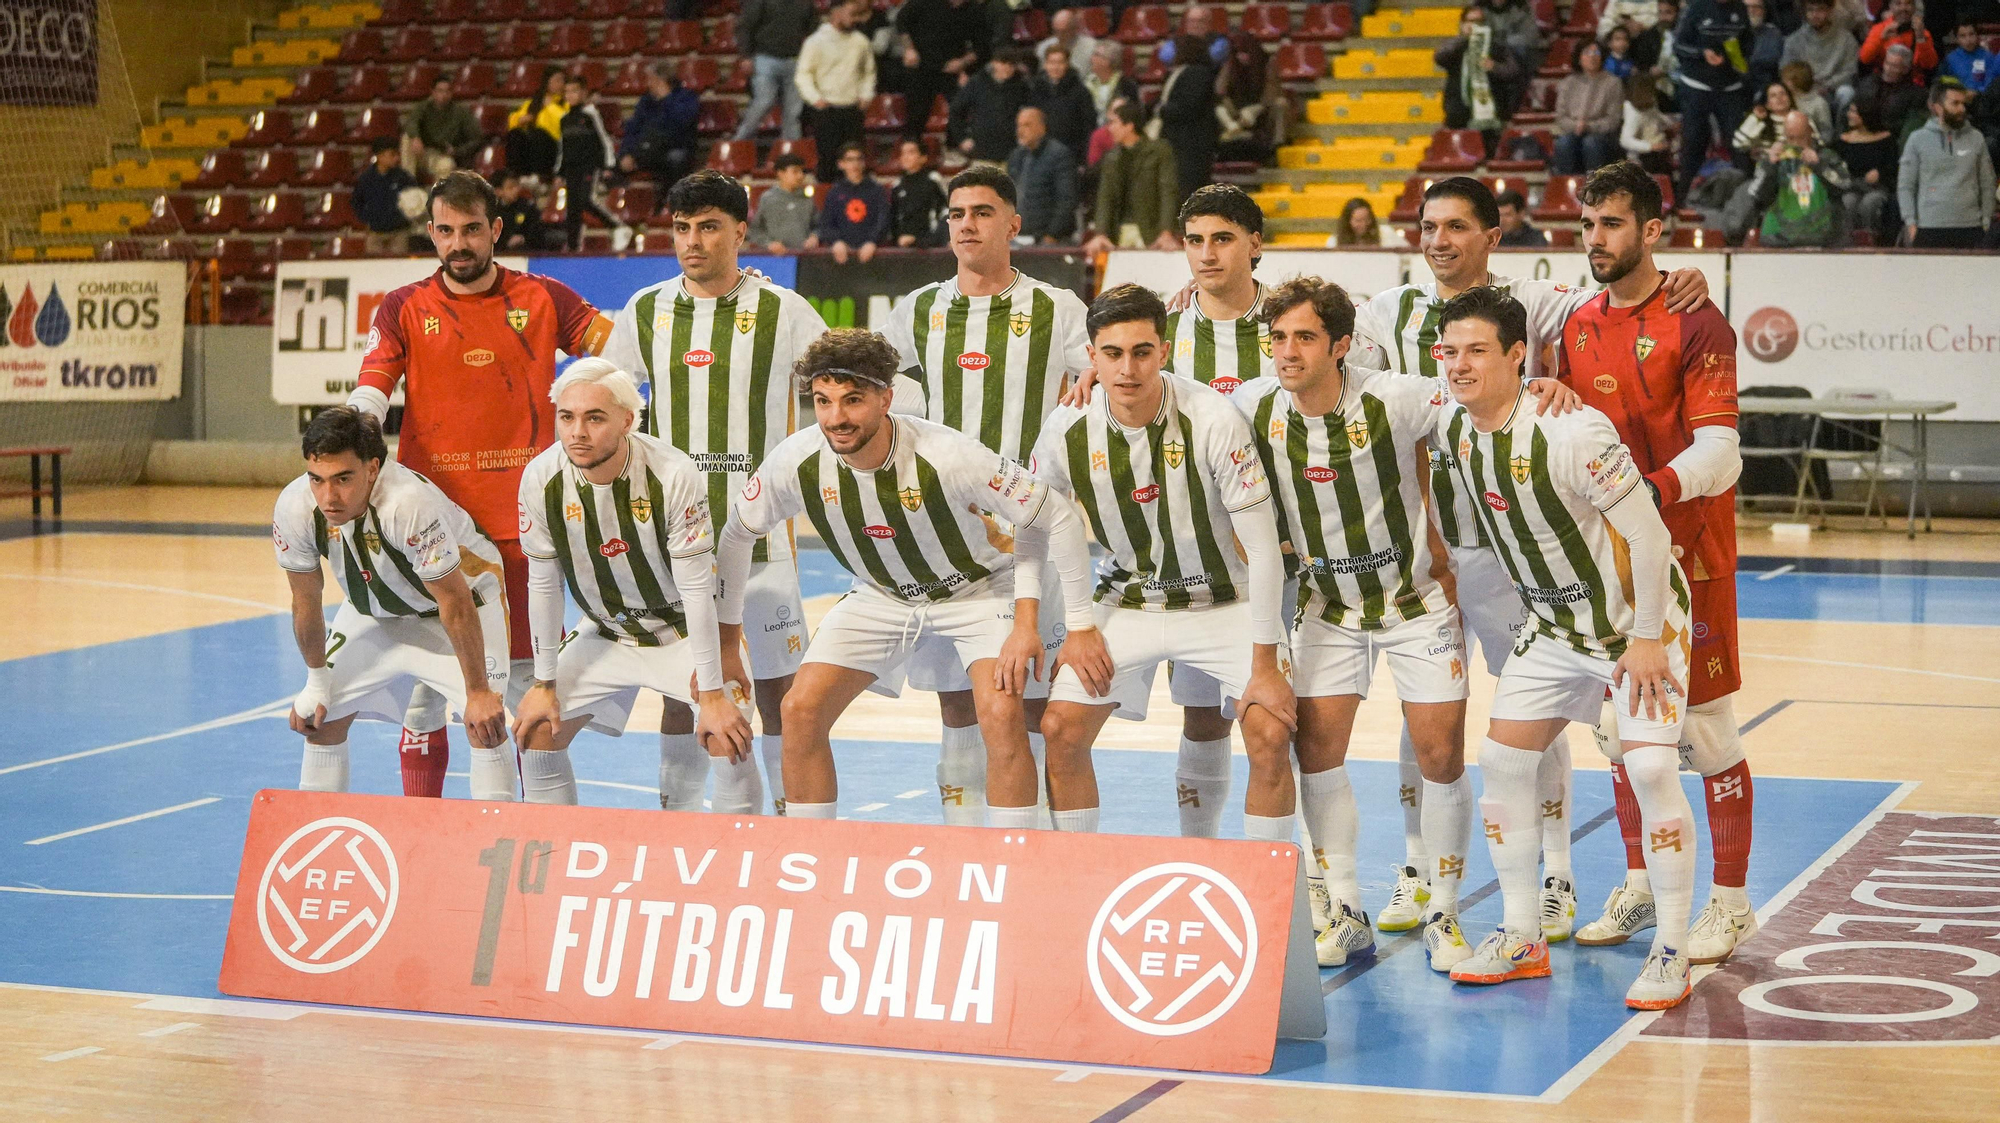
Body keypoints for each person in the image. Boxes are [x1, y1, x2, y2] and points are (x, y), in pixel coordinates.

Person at [1345, 176, 1709, 948]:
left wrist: (1681, 280)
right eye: (1428, 226)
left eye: (1455, 227)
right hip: (1431, 554)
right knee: (1428, 718)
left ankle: (1555, 878)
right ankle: (1418, 866)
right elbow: (1337, 375)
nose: (1439, 240)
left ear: (1493, 235)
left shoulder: (1538, 301)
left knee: (1540, 730)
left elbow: (1624, 294)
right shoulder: (1386, 311)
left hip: (1523, 560)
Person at [1431, 285, 1699, 1011]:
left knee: (1646, 763)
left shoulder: (1575, 431)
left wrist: (1645, 641)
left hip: (1636, 628)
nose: (1458, 365)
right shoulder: (1456, 432)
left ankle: (1672, 946)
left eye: (1476, 351)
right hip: (1552, 629)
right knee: (1503, 759)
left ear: (1519, 355)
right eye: (1448, 351)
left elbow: (1646, 534)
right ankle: (1522, 934)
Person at [716, 329, 1101, 826]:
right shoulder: (795, 460)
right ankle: (808, 855)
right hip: (880, 597)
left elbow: (1056, 517)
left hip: (979, 592)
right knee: (799, 711)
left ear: (886, 398)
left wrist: (1062, 624)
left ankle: (1016, 864)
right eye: (823, 401)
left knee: (1002, 714)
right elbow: (734, 538)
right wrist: (728, 647)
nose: (836, 418)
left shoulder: (951, 455)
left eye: (853, 400)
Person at [346, 171, 613, 800]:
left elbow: (618, 346)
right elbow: (373, 381)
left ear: (495, 229)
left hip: (521, 532)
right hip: (427, 528)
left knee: (519, 688)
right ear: (432, 233)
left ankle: (538, 834)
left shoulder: (546, 297)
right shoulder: (404, 307)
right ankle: (424, 828)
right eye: (445, 231)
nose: (458, 243)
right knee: (425, 694)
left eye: (471, 230)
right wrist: (351, 433)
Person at [1228, 274, 1460, 964]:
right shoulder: (1253, 405)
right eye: (1277, 338)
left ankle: (1445, 915)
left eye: (1304, 337)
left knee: (1441, 755)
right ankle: (1347, 903)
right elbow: (1174, 408)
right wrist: (1092, 374)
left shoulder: (1398, 396)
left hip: (1416, 601)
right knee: (1316, 753)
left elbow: (1487, 397)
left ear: (1342, 347)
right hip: (1329, 607)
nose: (1288, 351)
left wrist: (1547, 390)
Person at [1559, 161, 1756, 969]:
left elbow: (1724, 449)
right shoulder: (1573, 322)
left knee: (1707, 732)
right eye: (1587, 224)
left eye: (1611, 224)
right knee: (1618, 732)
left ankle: (1733, 904)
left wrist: (1648, 490)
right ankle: (1640, 884)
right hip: (1612, 562)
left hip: (1694, 555)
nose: (1595, 239)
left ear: (1651, 230)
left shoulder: (1698, 320)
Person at [600, 170, 831, 815]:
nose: (692, 242)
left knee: (784, 687)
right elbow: (608, 403)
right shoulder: (646, 310)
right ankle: (680, 813)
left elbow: (845, 380)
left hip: (764, 538)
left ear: (739, 231)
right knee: (688, 681)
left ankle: (788, 815)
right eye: (681, 228)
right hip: (679, 537)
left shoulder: (783, 311)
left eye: (707, 227)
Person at [1031, 284, 1295, 842]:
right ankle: (1073, 875)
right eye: (1112, 354)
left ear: (1164, 351)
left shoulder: (1214, 418)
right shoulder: (1064, 428)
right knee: (1060, 728)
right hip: (1129, 601)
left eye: (1142, 352)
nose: (1128, 369)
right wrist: (1076, 626)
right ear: (1092, 357)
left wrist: (1266, 662)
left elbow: (1265, 547)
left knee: (1271, 732)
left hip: (1228, 600)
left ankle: (1254, 888)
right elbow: (1042, 529)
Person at [881, 164, 1094, 825]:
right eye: (956, 214)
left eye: (980, 212)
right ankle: (966, 844)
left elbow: (1103, 372)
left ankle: (1037, 853)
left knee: (1029, 700)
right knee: (956, 699)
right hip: (945, 530)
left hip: (1030, 530)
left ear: (1013, 224)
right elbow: (868, 384)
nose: (966, 224)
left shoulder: (1057, 306)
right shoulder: (918, 308)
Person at [511, 360, 752, 809]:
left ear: (627, 419)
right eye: (567, 417)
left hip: (683, 632)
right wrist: (544, 683)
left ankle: (734, 862)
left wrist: (715, 692)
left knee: (727, 738)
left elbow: (699, 589)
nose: (577, 432)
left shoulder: (673, 473)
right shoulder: (540, 478)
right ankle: (549, 857)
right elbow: (542, 584)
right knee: (538, 731)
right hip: (607, 633)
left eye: (594, 418)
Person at [276, 407, 519, 801]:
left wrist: (477, 693)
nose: (328, 497)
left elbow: (454, 602)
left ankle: (499, 847)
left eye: (343, 479)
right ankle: (316, 835)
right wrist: (316, 682)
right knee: (320, 720)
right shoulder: (294, 506)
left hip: (465, 603)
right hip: (374, 610)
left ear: (373, 469)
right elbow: (305, 601)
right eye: (316, 480)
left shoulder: (408, 504)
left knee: (485, 725)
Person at [1672, 0, 1753, 204]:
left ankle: (1747, 201)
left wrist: (1736, 57)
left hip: (1730, 87)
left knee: (1740, 144)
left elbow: (1749, 44)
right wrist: (1702, 53)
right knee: (1692, 142)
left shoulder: (1740, 9)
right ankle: (1681, 201)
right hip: (1697, 86)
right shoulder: (1697, 8)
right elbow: (1679, 45)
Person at [1898, 79, 1996, 248]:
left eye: (1963, 103)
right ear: (1937, 107)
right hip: (1928, 227)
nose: (1962, 109)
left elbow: (1988, 182)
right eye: (1955, 103)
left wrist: (1986, 220)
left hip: (1970, 226)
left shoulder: (1976, 137)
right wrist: (1911, 224)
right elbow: (1906, 186)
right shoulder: (1917, 139)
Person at [797, 0, 876, 183]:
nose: (854, 18)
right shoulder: (815, 42)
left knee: (854, 161)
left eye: (857, 14)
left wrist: (866, 94)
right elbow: (804, 74)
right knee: (827, 161)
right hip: (826, 110)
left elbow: (868, 72)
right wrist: (814, 98)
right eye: (851, 13)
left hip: (852, 109)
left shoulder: (861, 41)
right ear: (836, 12)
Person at [1087, 100, 1181, 252]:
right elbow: (1105, 197)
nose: (1110, 128)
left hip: (1151, 232)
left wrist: (1166, 231)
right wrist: (1101, 233)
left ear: (1129, 126)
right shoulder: (1111, 158)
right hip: (1118, 232)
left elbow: (1168, 192)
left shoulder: (1159, 151)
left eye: (1113, 123)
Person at [1751, 110, 1852, 244]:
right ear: (1785, 135)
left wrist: (1819, 166)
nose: (1797, 143)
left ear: (1810, 133)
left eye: (1802, 137)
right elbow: (1757, 196)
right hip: (1779, 240)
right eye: (1791, 138)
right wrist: (1771, 166)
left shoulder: (1827, 156)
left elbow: (1844, 184)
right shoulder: (1773, 159)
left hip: (1826, 239)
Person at [896, 0, 986, 141]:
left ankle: (954, 146)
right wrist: (909, 49)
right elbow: (901, 21)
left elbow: (981, 48)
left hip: (951, 69)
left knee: (960, 107)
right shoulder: (923, 3)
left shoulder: (974, 11)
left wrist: (962, 63)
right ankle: (912, 147)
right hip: (921, 67)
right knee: (916, 113)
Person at [557, 76, 626, 252]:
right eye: (567, 92)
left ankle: (617, 226)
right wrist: (559, 171)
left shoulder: (591, 114)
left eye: (574, 91)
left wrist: (608, 165)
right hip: (571, 168)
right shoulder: (564, 119)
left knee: (586, 199)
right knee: (572, 209)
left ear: (583, 93)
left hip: (588, 166)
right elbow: (563, 147)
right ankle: (573, 248)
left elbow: (604, 140)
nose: (570, 95)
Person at [735, 0, 814, 142]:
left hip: (794, 59)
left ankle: (791, 153)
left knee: (793, 112)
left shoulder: (805, 3)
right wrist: (746, 56)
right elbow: (745, 26)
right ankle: (739, 141)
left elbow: (814, 29)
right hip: (765, 57)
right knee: (764, 101)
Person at [1156, 34, 1222, 204]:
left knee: (1189, 190)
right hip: (1177, 142)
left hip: (1191, 144)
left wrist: (1162, 110)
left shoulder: (1198, 73)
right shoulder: (1178, 73)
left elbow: (1189, 106)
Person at [619, 64, 701, 195]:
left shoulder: (686, 97)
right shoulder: (646, 101)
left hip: (675, 147)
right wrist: (627, 153)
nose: (648, 84)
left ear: (661, 80)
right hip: (648, 148)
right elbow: (633, 129)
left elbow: (681, 125)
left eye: (651, 80)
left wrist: (666, 99)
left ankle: (668, 202)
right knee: (615, 165)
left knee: (675, 159)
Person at [810, 143, 892, 263]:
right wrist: (836, 241)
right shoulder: (834, 192)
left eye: (859, 159)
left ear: (864, 163)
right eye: (850, 160)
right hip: (841, 257)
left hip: (873, 255)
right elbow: (826, 223)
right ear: (841, 164)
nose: (855, 164)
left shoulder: (876, 190)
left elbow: (883, 220)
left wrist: (872, 241)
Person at [1007, 107, 1078, 243]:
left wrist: (1052, 235)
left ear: (1042, 127)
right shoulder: (1016, 156)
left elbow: (1066, 200)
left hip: (1048, 240)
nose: (1020, 131)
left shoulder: (1059, 155)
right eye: (1019, 125)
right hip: (1018, 237)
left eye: (1027, 125)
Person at [1556, 41, 1630, 173]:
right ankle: (1566, 183)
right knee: (1563, 143)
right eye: (1587, 53)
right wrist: (1576, 126)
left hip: (1603, 135)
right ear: (1579, 58)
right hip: (1573, 131)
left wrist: (1589, 126)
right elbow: (1561, 117)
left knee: (1591, 143)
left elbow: (1613, 120)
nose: (1592, 57)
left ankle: (1595, 186)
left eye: (1596, 53)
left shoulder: (1613, 83)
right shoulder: (1568, 83)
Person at [951, 48, 1033, 163]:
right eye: (1003, 63)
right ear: (994, 63)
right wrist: (962, 138)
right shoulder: (977, 82)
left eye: (1011, 65)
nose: (1007, 68)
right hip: (981, 151)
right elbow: (955, 111)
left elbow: (1031, 114)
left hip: (1012, 153)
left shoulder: (1021, 86)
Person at [1834, 97, 1899, 238]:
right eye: (1850, 111)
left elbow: (1893, 166)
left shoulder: (1886, 139)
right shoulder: (1843, 140)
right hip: (1851, 186)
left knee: (1869, 203)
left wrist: (1879, 173)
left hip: (1877, 187)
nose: (1849, 115)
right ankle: (1847, 240)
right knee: (1848, 202)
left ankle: (1871, 238)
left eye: (1854, 112)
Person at [1782, 0, 1858, 113]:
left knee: (1847, 92)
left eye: (1820, 10)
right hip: (1804, 91)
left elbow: (1849, 71)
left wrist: (1827, 86)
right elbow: (1786, 69)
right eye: (1810, 10)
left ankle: (1841, 130)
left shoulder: (1846, 39)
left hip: (1833, 90)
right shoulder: (1793, 41)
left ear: (1830, 11)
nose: (1815, 15)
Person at [403, 76, 482, 183]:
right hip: (422, 151)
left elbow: (476, 139)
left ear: (451, 93)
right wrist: (415, 137)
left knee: (447, 166)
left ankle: (438, 197)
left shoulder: (461, 112)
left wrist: (457, 151)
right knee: (407, 138)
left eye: (447, 91)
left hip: (442, 153)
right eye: (440, 91)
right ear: (433, 92)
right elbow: (412, 122)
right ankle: (408, 183)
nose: (443, 95)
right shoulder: (423, 107)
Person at [1033, 44, 1099, 160]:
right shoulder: (1036, 90)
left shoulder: (1081, 92)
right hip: (1040, 155)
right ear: (1045, 64)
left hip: (1070, 155)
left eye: (1060, 62)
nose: (1055, 67)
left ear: (1067, 64)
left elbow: (1088, 126)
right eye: (1052, 62)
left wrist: (1082, 157)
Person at [1854, 43, 1929, 142]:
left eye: (1894, 66)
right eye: (1887, 63)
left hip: (1890, 140)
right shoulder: (1867, 84)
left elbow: (1907, 126)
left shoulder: (1916, 94)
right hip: (1862, 134)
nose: (1888, 69)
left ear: (1905, 69)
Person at [355, 137, 416, 255]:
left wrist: (404, 219)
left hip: (399, 233)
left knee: (399, 266)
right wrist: (368, 219)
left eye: (397, 154)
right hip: (375, 233)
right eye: (392, 154)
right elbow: (357, 202)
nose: (397, 158)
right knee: (374, 267)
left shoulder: (403, 178)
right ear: (380, 156)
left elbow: (414, 197)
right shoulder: (366, 179)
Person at [504, 67, 566, 182]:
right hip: (533, 143)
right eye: (557, 80)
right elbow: (514, 120)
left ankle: (539, 177)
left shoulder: (565, 102)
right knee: (515, 134)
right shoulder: (535, 102)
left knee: (539, 135)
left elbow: (564, 122)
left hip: (555, 144)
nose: (561, 84)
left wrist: (550, 106)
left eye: (562, 80)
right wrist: (521, 120)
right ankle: (516, 176)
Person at [748, 153, 815, 253]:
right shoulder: (768, 199)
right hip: (776, 259)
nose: (800, 176)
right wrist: (769, 244)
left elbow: (818, 225)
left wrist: (814, 237)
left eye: (802, 171)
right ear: (780, 173)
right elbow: (754, 230)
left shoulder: (807, 200)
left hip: (804, 257)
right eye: (795, 171)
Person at [1858, 0, 1938, 83]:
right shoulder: (1879, 29)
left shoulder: (1922, 33)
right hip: (1882, 80)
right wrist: (1881, 38)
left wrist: (1921, 38)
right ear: (1891, 7)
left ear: (1914, 8)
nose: (1903, 8)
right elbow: (1864, 59)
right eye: (1898, 3)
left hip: (1911, 84)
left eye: (1908, 3)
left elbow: (1930, 65)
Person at [889, 139, 949, 247]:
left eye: (911, 152)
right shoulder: (897, 185)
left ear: (923, 157)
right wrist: (899, 238)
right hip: (904, 245)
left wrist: (926, 239)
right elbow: (894, 218)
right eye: (903, 153)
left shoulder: (933, 180)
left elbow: (946, 210)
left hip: (932, 244)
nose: (905, 157)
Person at [1622, 76, 1677, 173]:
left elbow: (1657, 116)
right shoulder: (1634, 112)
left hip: (1658, 143)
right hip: (1643, 155)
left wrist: (1671, 124)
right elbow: (1625, 140)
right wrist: (1651, 146)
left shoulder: (1651, 103)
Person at [494, 170, 559, 251]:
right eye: (510, 188)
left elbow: (538, 232)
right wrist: (506, 242)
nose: (515, 190)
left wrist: (523, 238)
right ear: (498, 191)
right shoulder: (493, 211)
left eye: (516, 186)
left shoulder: (527, 207)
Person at [1734, 81, 1800, 161]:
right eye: (1773, 95)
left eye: (1782, 93)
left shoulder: (1801, 119)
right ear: (1767, 104)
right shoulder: (1761, 123)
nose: (1779, 98)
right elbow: (1738, 144)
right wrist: (1755, 118)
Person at [1082, 44, 1140, 125]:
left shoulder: (1126, 86)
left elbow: (1132, 116)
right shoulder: (1086, 83)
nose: (1091, 58)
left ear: (1107, 61)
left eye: (1096, 55)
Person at [1783, 60, 1834, 141]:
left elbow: (1827, 132)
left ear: (1796, 80)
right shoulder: (1786, 98)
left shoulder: (1819, 103)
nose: (1784, 82)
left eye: (1787, 79)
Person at [1943, 20, 1996, 94]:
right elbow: (1944, 82)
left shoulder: (1987, 56)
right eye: (1962, 36)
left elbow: (1992, 82)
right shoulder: (1951, 59)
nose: (1968, 40)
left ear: (1977, 35)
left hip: (1983, 99)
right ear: (1957, 39)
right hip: (1959, 98)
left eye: (1971, 34)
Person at [1743, 0, 1786, 88]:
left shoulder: (1774, 35)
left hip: (1766, 87)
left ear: (1764, 11)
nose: (1751, 10)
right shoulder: (1730, 32)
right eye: (1746, 7)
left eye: (1756, 7)